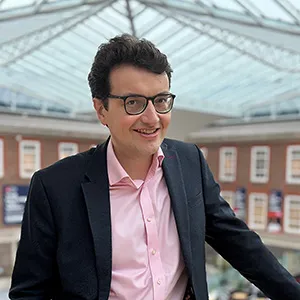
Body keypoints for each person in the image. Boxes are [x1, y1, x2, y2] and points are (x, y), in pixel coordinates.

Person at [9, 34, 300, 300]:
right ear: (101, 110)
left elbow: (237, 241)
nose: (152, 118)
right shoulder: (55, 187)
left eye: (161, 100)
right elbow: (29, 292)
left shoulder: (189, 162)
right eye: (133, 102)